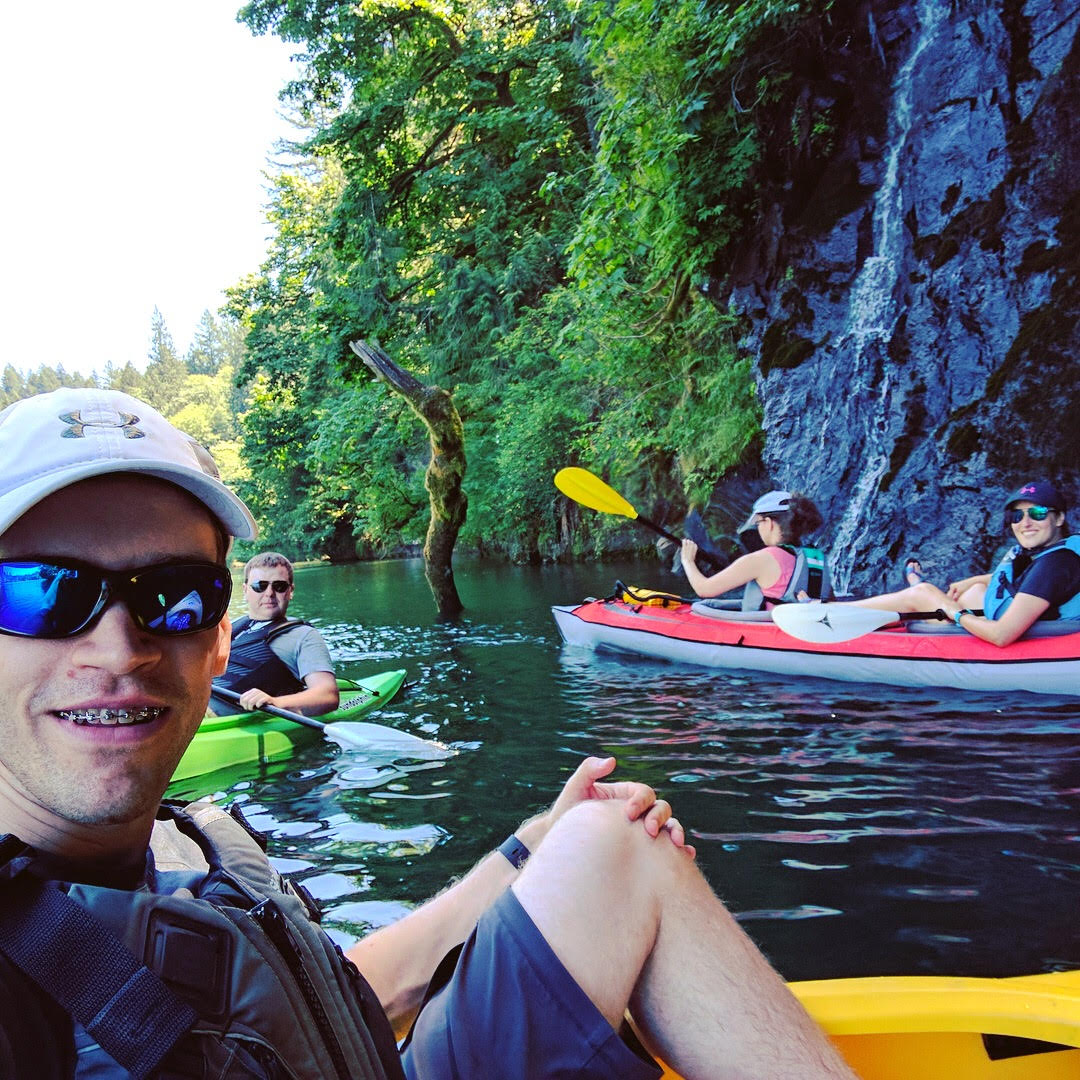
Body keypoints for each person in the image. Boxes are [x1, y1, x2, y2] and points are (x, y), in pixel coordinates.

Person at [0, 388, 856, 1080]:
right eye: (38, 592)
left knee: (613, 843)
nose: (119, 647)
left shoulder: (196, 837)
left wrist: (528, 849)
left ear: (217, 637)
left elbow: (322, 1000)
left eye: (175, 594)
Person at [853, 480, 1080, 646]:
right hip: (1033, 619)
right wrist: (971, 580)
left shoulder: (1055, 564)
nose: (1026, 523)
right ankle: (904, 600)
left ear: (1059, 518)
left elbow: (1001, 635)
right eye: (1017, 516)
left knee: (922, 594)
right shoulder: (1061, 555)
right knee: (974, 591)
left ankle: (833, 613)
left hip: (1013, 634)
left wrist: (956, 614)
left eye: (1037, 513)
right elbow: (1031, 583)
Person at [207, 551, 340, 717]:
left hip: (221, 719)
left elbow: (327, 695)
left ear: (290, 591)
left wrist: (276, 703)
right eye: (260, 586)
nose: (269, 593)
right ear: (246, 590)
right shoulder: (232, 627)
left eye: (279, 586)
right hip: (198, 706)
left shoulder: (304, 636)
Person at [681, 489, 832, 610]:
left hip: (768, 635)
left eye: (758, 523)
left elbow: (704, 589)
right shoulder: (815, 558)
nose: (758, 529)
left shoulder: (761, 560)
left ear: (769, 523)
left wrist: (687, 561)